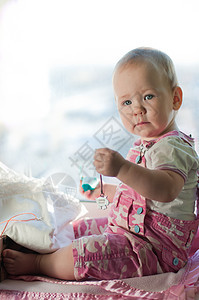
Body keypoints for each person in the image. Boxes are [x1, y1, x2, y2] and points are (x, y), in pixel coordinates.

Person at [2, 47, 199, 281]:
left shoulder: (173, 147)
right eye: (126, 102)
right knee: (80, 228)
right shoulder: (147, 143)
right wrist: (108, 191)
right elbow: (143, 197)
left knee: (85, 255)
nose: (136, 109)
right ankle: (41, 246)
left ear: (175, 98)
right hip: (130, 233)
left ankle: (40, 262)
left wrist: (122, 169)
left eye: (148, 96)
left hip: (153, 251)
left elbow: (165, 190)